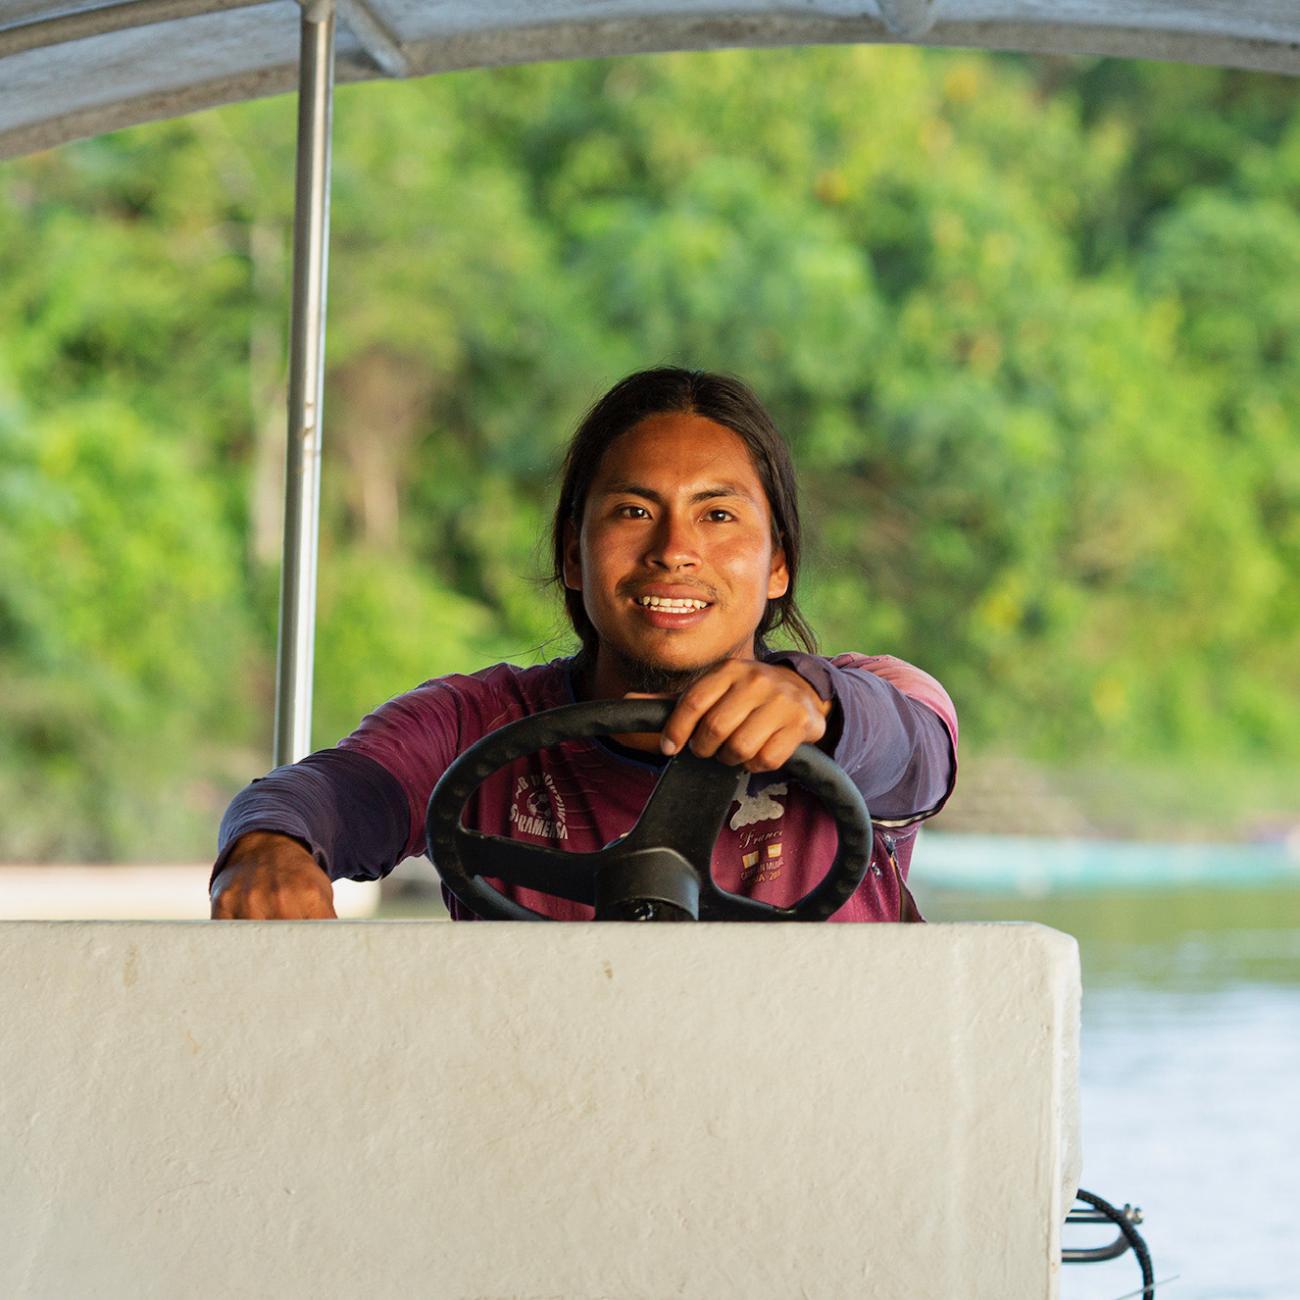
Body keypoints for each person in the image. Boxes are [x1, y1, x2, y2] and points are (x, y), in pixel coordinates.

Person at [211, 367, 957, 921]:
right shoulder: (474, 726)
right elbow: (331, 791)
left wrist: (819, 707)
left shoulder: (867, 703)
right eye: (635, 510)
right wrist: (271, 844)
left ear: (779, 564)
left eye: (719, 516)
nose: (675, 550)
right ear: (573, 554)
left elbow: (919, 757)